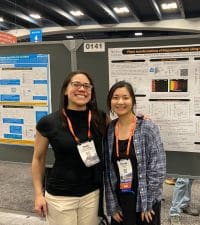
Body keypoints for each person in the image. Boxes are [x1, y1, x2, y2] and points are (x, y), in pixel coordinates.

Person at [32, 71, 107, 225]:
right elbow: (38, 159)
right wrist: (39, 194)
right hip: (60, 198)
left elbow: (123, 127)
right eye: (76, 84)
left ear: (91, 93)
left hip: (91, 195)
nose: (82, 89)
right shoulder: (49, 122)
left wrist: (140, 120)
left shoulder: (100, 117)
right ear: (65, 90)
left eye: (87, 86)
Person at [104, 81, 166, 225]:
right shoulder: (109, 130)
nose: (120, 102)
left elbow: (158, 169)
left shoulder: (147, 127)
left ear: (132, 100)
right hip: (121, 201)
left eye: (125, 97)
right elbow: (108, 171)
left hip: (144, 200)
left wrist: (148, 203)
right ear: (110, 101)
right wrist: (112, 206)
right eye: (115, 97)